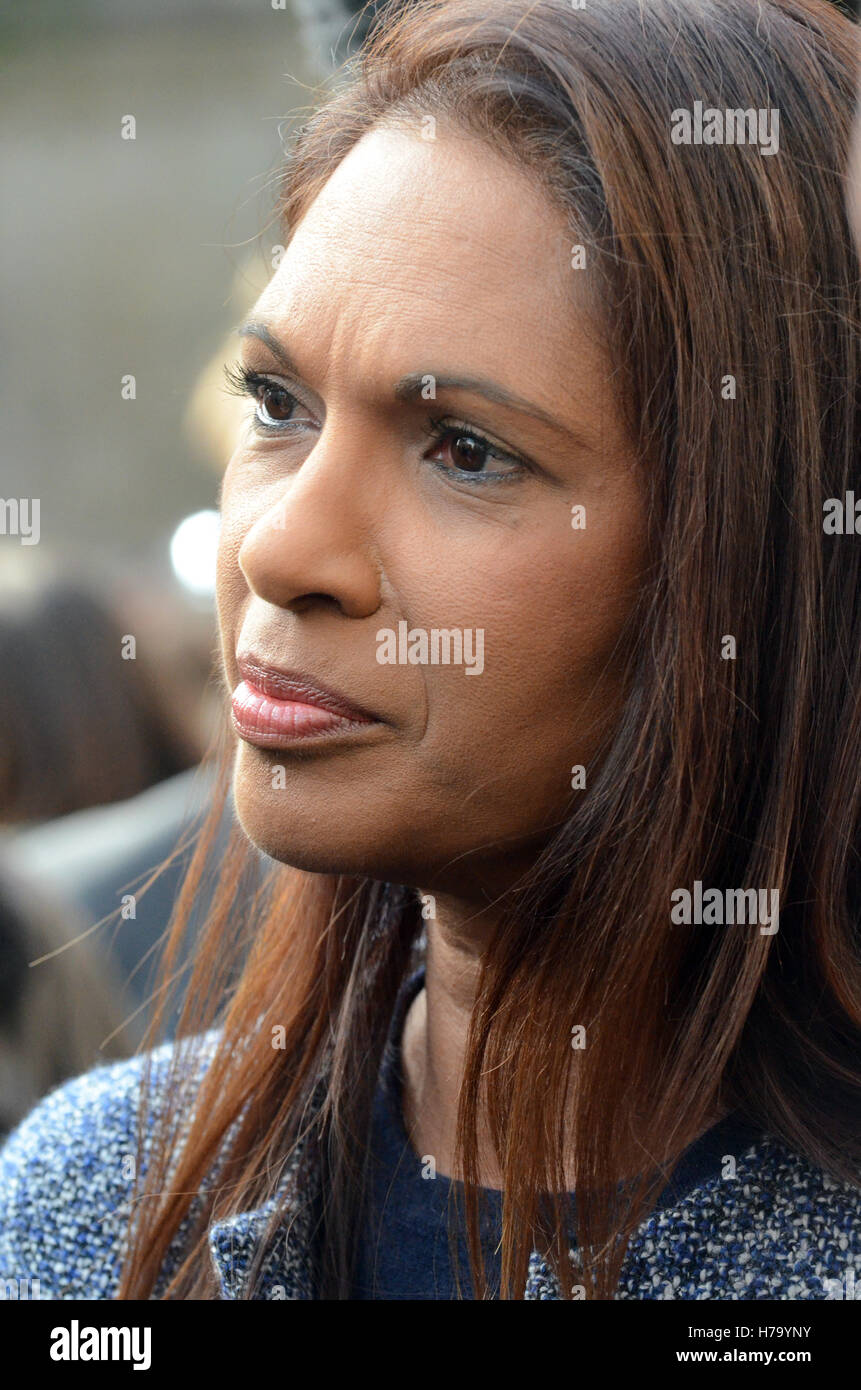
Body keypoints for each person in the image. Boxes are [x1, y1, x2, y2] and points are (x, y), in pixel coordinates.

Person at [0, 0, 859, 1301]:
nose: (282, 550)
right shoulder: (87, 1197)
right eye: (276, 403)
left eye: (465, 448)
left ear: (751, 557)